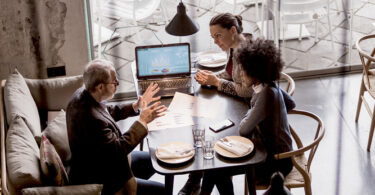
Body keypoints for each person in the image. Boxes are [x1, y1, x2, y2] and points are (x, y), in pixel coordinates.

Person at [199, 39, 296, 195]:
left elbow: (244, 129)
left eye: (244, 70)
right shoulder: (270, 85)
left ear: (257, 72)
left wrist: (255, 113)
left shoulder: (266, 95)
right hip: (276, 150)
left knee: (216, 169)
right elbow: (291, 103)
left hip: (275, 160)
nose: (240, 74)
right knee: (214, 169)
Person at [66, 59, 167, 195]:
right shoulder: (91, 119)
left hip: (105, 160)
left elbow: (107, 112)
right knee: (162, 191)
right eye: (114, 82)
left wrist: (135, 106)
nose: (118, 83)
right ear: (100, 87)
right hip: (102, 176)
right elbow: (118, 151)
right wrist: (142, 121)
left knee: (157, 158)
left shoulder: (83, 94)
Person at [195, 13, 253, 98]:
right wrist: (210, 78)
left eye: (218, 35)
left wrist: (216, 82)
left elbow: (247, 91)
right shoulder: (231, 46)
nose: (215, 41)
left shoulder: (248, 56)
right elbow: (231, 73)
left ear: (233, 30)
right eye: (213, 37)